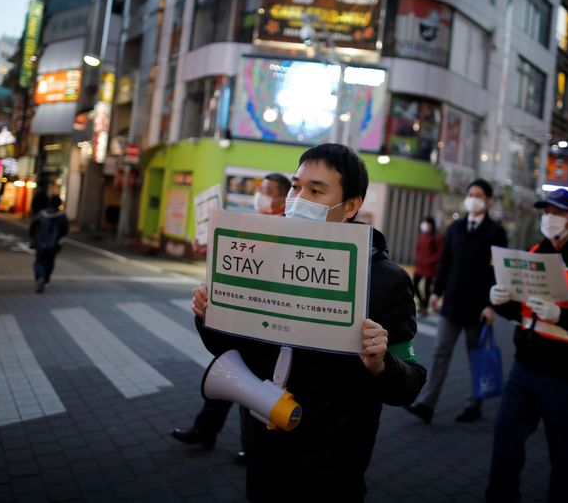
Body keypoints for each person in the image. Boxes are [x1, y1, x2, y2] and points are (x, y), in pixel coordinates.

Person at [191, 144, 426, 502]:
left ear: (351, 206)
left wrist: (380, 364)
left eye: (315, 191)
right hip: (262, 449)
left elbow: (408, 383)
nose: (298, 198)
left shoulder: (385, 281)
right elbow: (230, 349)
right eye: (295, 187)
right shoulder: (261, 256)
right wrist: (209, 317)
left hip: (333, 464)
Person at [485, 188, 568, 503]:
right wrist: (499, 300)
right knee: (505, 437)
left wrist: (564, 316)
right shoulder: (534, 251)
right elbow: (522, 310)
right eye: (545, 212)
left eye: (557, 213)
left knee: (565, 452)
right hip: (525, 368)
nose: (549, 218)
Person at [172, 172, 291, 463]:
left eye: (267, 189)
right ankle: (207, 431)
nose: (260, 193)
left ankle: (250, 447)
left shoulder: (287, 228)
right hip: (238, 315)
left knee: (251, 383)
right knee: (231, 373)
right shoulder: (251, 221)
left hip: (263, 318)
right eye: (260, 187)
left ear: (281, 197)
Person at [406, 179, 508, 424]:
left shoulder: (496, 232)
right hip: (451, 303)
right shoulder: (456, 228)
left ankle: (474, 404)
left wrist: (491, 305)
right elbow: (445, 264)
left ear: (489, 200)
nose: (473, 198)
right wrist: (435, 292)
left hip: (478, 306)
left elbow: (498, 272)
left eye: (479, 195)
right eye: (470, 193)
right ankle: (426, 404)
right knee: (440, 353)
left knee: (476, 355)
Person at [28, 194, 69, 293]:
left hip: (40, 242)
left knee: (39, 261)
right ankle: (46, 279)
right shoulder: (62, 216)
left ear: (49, 203)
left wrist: (33, 237)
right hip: (54, 243)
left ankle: (39, 278)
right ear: (60, 204)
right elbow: (65, 230)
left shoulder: (41, 214)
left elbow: (33, 226)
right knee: (50, 262)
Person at [412, 216, 442, 317]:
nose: (425, 225)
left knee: (427, 288)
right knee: (414, 285)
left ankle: (424, 307)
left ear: (432, 225)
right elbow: (417, 248)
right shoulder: (422, 235)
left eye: (427, 223)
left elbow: (439, 253)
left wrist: (429, 261)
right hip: (420, 266)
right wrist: (417, 258)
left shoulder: (436, 238)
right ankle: (423, 303)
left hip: (430, 267)